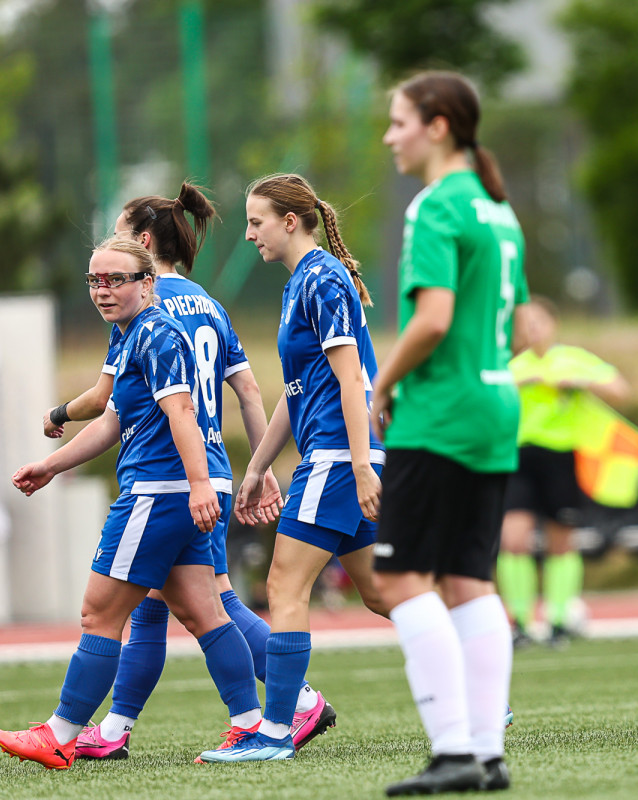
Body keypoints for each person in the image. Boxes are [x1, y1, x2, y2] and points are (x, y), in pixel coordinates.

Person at [47, 184, 346, 760]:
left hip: (170, 475)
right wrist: (258, 467)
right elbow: (249, 389)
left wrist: (58, 417)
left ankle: (293, 702)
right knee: (167, 602)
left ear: (141, 242)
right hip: (209, 470)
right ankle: (116, 728)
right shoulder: (208, 303)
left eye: (118, 235)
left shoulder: (139, 305)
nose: (106, 267)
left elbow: (115, 405)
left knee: (209, 603)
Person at [0, 238, 260, 769]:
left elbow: (182, 412)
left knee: (99, 613)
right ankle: (251, 725)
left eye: (116, 279)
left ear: (147, 282)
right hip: (179, 491)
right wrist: (51, 465)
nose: (103, 290)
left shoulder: (156, 332)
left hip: (159, 492)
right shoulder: (129, 333)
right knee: (203, 612)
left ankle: (60, 734)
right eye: (95, 280)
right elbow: (113, 419)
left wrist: (198, 484)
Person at [370, 70, 527, 795]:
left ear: (437, 127)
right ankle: (486, 754)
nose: (389, 137)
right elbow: (518, 323)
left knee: (401, 576)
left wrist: (384, 382)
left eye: (399, 122)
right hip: (495, 404)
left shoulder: (436, 205)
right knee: (468, 579)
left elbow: (431, 319)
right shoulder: (497, 208)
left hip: (441, 414)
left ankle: (454, 749)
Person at [195, 173, 386, 762]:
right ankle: (479, 692)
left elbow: (352, 379)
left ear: (289, 221)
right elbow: (297, 392)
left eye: (256, 222)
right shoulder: (301, 283)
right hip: (337, 455)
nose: (249, 234)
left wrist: (360, 464)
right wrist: (257, 467)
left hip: (337, 457)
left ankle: (276, 731)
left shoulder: (322, 278)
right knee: (381, 592)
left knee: (283, 585)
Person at [498, 295, 631, 648]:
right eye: (525, 323)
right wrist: (518, 384)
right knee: (514, 539)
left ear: (553, 324)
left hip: (560, 458)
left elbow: (619, 389)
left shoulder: (572, 359)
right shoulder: (509, 364)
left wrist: (576, 381)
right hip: (517, 459)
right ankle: (519, 622)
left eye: (538, 322)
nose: (531, 329)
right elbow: (482, 398)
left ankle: (558, 620)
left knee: (561, 540)